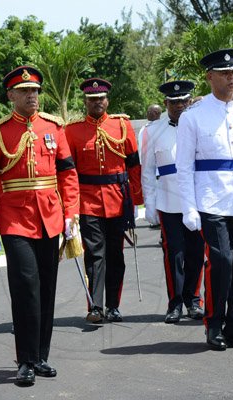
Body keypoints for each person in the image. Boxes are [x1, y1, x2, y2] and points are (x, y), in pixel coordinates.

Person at [0, 66, 79, 385]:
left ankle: (40, 356)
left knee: (47, 287)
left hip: (50, 217)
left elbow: (67, 172)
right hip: (14, 219)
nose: (31, 95)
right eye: (24, 91)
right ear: (11, 96)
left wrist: (71, 213)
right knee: (25, 287)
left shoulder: (55, 127)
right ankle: (24, 360)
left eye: (35, 90)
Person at [175, 49, 233, 351]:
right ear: (210, 77)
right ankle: (213, 325)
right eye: (225, 73)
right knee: (222, 262)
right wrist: (188, 208)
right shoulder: (193, 117)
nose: (231, 77)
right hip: (210, 200)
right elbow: (184, 167)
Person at [65, 78, 144, 324]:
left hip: (117, 199)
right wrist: (71, 205)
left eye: (101, 98)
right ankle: (95, 306)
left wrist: (137, 200)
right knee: (94, 254)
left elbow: (133, 164)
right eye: (92, 99)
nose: (97, 102)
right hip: (88, 201)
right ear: (85, 101)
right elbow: (69, 171)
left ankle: (114, 305)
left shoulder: (122, 125)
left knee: (115, 254)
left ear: (107, 99)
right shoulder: (73, 130)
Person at [141, 80, 204, 323]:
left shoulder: (198, 126)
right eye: (174, 102)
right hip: (168, 202)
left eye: (183, 101)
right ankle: (175, 303)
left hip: (196, 201)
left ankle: (193, 300)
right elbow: (148, 171)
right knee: (174, 254)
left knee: (197, 254)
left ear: (189, 102)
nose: (179, 106)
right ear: (166, 103)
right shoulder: (152, 131)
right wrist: (150, 203)